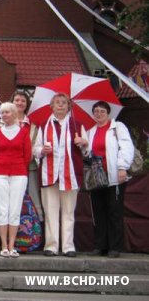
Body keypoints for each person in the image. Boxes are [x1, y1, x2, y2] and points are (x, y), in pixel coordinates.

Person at [33, 93, 89, 258]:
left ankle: (68, 246)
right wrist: (41, 150)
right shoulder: (44, 125)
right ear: (51, 106)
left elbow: (87, 151)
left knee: (69, 212)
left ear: (68, 106)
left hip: (70, 175)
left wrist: (84, 143)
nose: (60, 105)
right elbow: (35, 150)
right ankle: (51, 246)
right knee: (50, 211)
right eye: (57, 102)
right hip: (49, 175)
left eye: (64, 103)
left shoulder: (77, 125)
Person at [87, 101, 134, 258]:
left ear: (108, 113)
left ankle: (115, 247)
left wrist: (122, 167)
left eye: (102, 111)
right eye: (96, 111)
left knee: (114, 211)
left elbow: (126, 147)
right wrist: (83, 146)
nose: (99, 114)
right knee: (98, 212)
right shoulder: (90, 131)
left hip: (114, 176)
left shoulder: (117, 128)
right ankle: (100, 246)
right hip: (97, 178)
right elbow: (88, 155)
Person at [0, 102, 31, 258]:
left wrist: (17, 167)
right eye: (3, 112)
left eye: (7, 112)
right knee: (2, 209)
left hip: (19, 174)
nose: (4, 114)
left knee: (14, 210)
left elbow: (27, 155)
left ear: (14, 114)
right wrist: (0, 167)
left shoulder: (24, 133)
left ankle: (12, 245)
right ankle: (4, 245)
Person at [11, 90, 44, 221]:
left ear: (27, 104)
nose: (20, 103)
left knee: (33, 197)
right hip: (10, 168)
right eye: (17, 100)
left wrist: (26, 158)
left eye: (23, 101)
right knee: (12, 200)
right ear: (12, 102)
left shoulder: (33, 124)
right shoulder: (4, 122)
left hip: (29, 167)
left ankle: (35, 231)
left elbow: (35, 144)